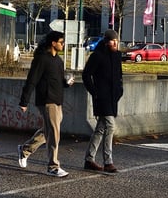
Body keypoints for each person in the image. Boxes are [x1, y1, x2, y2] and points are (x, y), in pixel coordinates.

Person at [18, 30, 73, 177]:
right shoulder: (41, 59)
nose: (63, 44)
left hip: (57, 100)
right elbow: (32, 80)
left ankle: (25, 149)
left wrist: (67, 83)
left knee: (48, 131)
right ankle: (53, 166)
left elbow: (60, 81)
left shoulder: (58, 61)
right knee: (54, 134)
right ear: (53, 43)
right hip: (46, 100)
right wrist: (24, 101)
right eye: (61, 42)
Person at [82, 28, 124, 173]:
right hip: (101, 97)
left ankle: (89, 159)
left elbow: (119, 75)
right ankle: (108, 161)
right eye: (113, 41)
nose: (115, 44)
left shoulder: (117, 56)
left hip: (113, 97)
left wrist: (120, 90)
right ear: (106, 42)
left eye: (117, 41)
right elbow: (86, 75)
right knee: (110, 126)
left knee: (100, 128)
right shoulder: (97, 56)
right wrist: (94, 92)